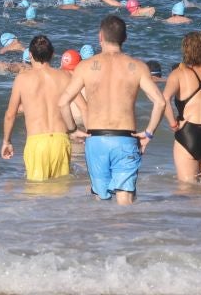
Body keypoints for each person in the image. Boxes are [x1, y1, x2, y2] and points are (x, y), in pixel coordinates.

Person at [58, 15, 166, 204]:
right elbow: (161, 102)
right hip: (125, 139)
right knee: (125, 202)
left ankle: (102, 234)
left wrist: (73, 130)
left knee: (100, 201)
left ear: (100, 37)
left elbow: (63, 102)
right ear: (125, 38)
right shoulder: (138, 67)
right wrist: (148, 134)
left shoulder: (84, 67)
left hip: (96, 140)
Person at [1, 36, 77, 181]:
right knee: (60, 191)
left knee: (36, 194)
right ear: (53, 54)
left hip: (37, 143)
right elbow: (83, 106)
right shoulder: (65, 76)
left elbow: (10, 114)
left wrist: (7, 141)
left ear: (29, 54)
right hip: (61, 140)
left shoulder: (22, 79)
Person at [162, 32, 201, 182]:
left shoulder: (178, 74)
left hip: (187, 133)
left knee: (186, 189)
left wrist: (173, 124)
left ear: (186, 51)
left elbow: (164, 99)